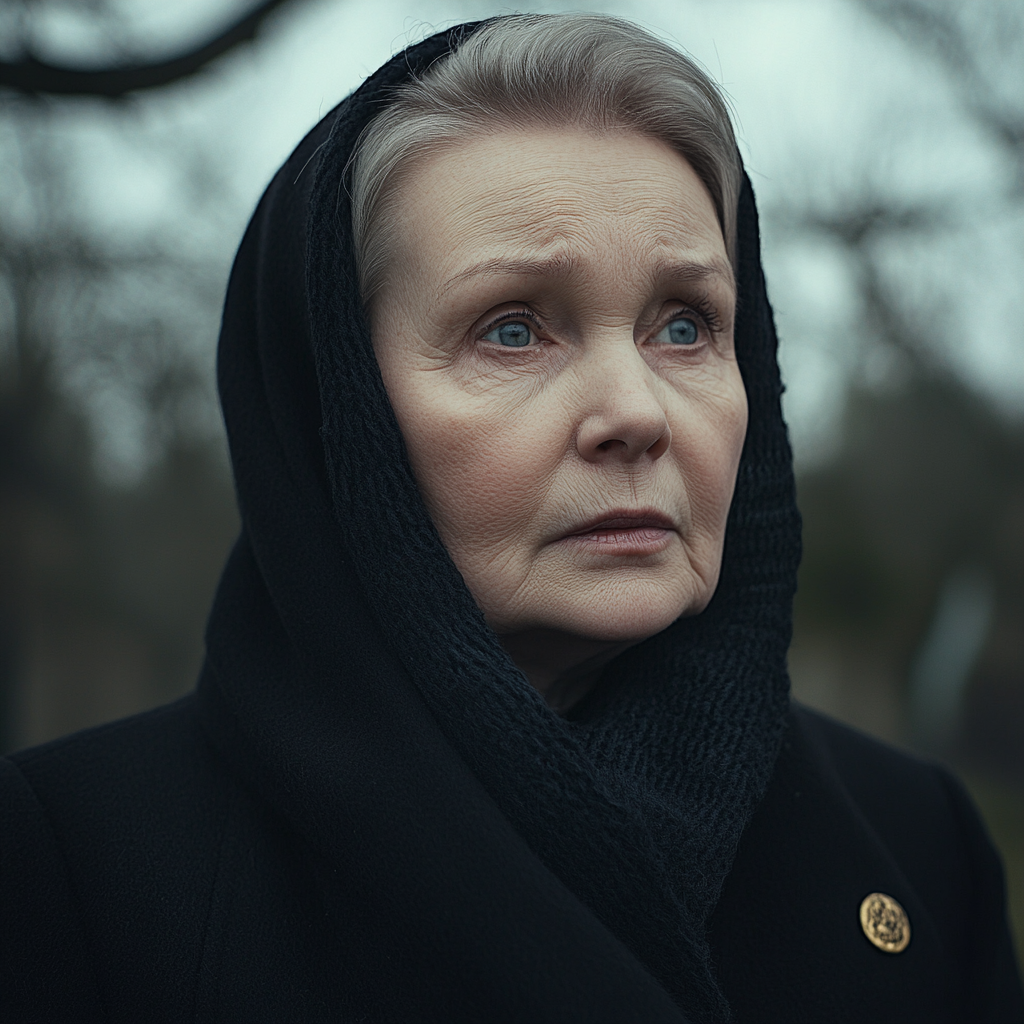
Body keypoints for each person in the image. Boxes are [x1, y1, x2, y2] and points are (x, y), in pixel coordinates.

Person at [1, 14, 1021, 1024]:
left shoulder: (916, 845)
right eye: (514, 330)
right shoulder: (75, 866)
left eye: (683, 325)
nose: (634, 411)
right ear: (337, 406)